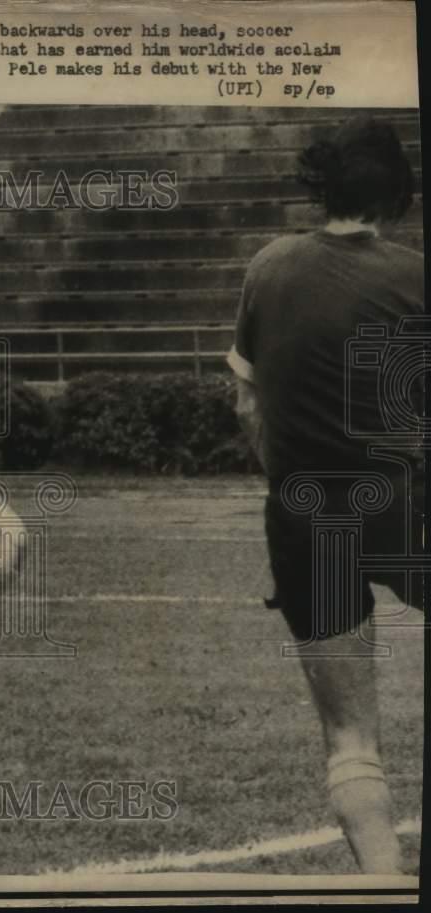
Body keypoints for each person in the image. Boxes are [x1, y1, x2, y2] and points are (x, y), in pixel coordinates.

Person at [227, 116, 424, 873]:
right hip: (404, 499)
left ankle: (383, 884)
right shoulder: (414, 276)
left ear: (322, 185)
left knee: (350, 738)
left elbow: (248, 406)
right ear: (398, 194)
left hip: (308, 513)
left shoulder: (268, 266)